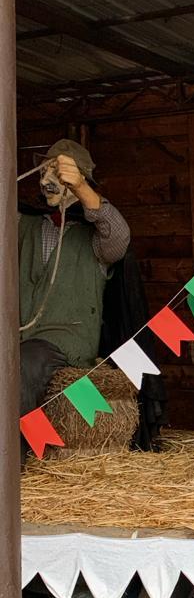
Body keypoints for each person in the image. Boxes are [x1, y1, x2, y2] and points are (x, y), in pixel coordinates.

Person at [19, 138, 130, 426]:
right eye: (44, 171)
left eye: (56, 171)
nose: (46, 179)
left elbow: (119, 236)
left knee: (20, 367)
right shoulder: (25, 223)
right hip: (18, 338)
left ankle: (14, 453)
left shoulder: (95, 238)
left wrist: (80, 187)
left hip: (64, 342)